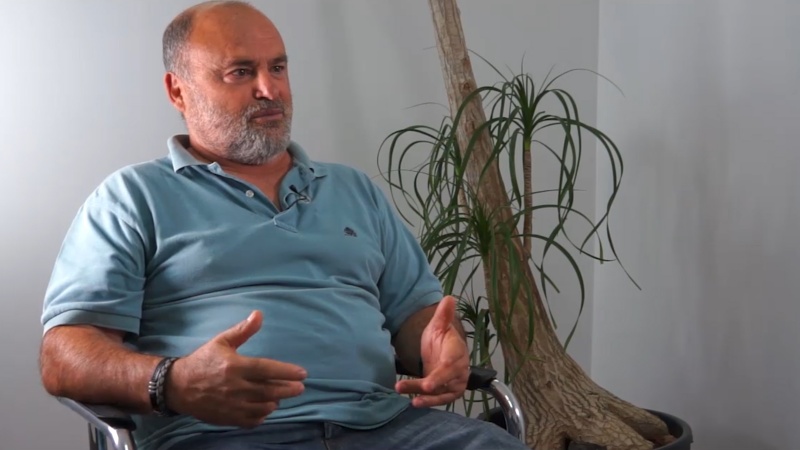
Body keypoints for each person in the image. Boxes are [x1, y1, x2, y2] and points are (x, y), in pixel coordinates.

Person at [39, 2, 528, 449]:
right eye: (240, 72)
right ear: (178, 90)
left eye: (277, 67)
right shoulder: (131, 198)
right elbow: (64, 357)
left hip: (386, 426)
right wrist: (174, 380)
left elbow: (418, 317)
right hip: (218, 436)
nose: (269, 90)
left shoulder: (353, 190)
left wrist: (441, 349)